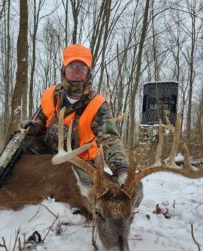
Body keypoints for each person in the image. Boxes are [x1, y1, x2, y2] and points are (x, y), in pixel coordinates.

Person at [21, 44, 129, 187]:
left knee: (83, 188)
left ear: (88, 73)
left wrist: (121, 169)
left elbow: (110, 139)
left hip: (81, 163)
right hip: (51, 156)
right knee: (22, 144)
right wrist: (35, 126)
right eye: (72, 67)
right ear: (64, 71)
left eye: (82, 68)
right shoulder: (50, 95)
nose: (77, 73)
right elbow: (42, 120)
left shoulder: (97, 104)